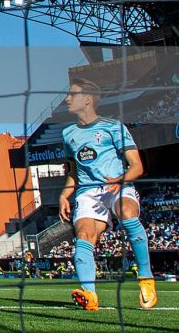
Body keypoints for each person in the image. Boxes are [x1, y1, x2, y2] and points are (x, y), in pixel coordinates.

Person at [59, 79, 156, 310]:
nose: (67, 99)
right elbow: (73, 172)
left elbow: (137, 166)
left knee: (127, 212)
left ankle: (146, 278)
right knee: (83, 234)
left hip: (117, 186)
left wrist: (121, 180)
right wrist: (64, 194)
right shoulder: (67, 134)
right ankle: (90, 296)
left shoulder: (114, 127)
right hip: (87, 192)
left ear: (88, 99)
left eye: (72, 94)